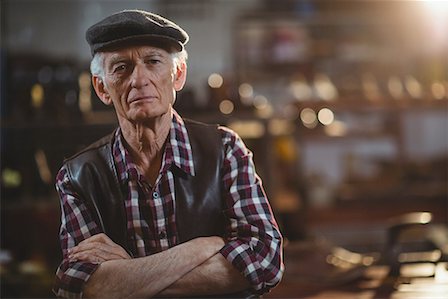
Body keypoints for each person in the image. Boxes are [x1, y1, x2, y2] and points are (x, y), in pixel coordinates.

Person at [53, 9, 284, 298]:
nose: (139, 79)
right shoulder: (77, 176)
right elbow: (77, 285)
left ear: (178, 75)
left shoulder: (225, 150)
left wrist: (129, 277)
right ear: (102, 88)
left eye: (152, 62)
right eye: (122, 67)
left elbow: (265, 261)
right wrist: (199, 248)